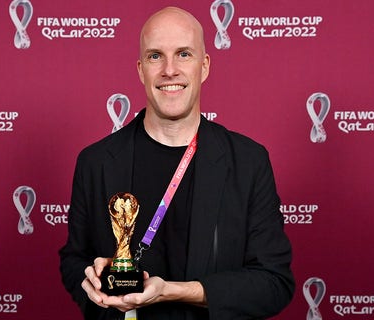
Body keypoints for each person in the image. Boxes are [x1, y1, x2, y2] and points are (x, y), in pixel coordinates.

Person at [59, 6, 294, 319]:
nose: (170, 70)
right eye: (156, 56)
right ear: (141, 69)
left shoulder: (248, 162)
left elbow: (274, 283)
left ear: (204, 66)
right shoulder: (96, 162)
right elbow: (74, 260)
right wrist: (94, 278)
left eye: (184, 54)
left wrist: (174, 291)